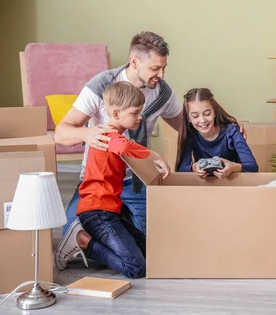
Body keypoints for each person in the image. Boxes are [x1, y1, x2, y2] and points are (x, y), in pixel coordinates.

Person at [53, 31, 183, 269]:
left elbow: (186, 127)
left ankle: (117, 227)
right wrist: (86, 133)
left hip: (135, 181)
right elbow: (61, 132)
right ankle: (103, 235)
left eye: (164, 68)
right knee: (68, 233)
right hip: (98, 182)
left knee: (153, 252)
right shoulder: (102, 85)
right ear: (135, 61)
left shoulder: (162, 92)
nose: (161, 75)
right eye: (155, 68)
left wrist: (226, 125)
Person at [56, 82, 171, 278]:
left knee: (149, 252)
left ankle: (93, 241)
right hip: (97, 212)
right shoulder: (106, 136)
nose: (140, 117)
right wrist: (155, 155)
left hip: (110, 211)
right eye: (135, 113)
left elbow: (125, 146)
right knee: (136, 268)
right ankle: (85, 242)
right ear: (116, 114)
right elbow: (125, 147)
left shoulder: (114, 136)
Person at [177, 88, 258, 178]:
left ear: (215, 112)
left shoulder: (232, 132)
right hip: (206, 186)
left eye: (207, 114)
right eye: (195, 116)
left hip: (232, 184)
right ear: (189, 118)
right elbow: (181, 170)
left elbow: (253, 166)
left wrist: (233, 167)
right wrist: (194, 167)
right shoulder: (190, 135)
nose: (202, 120)